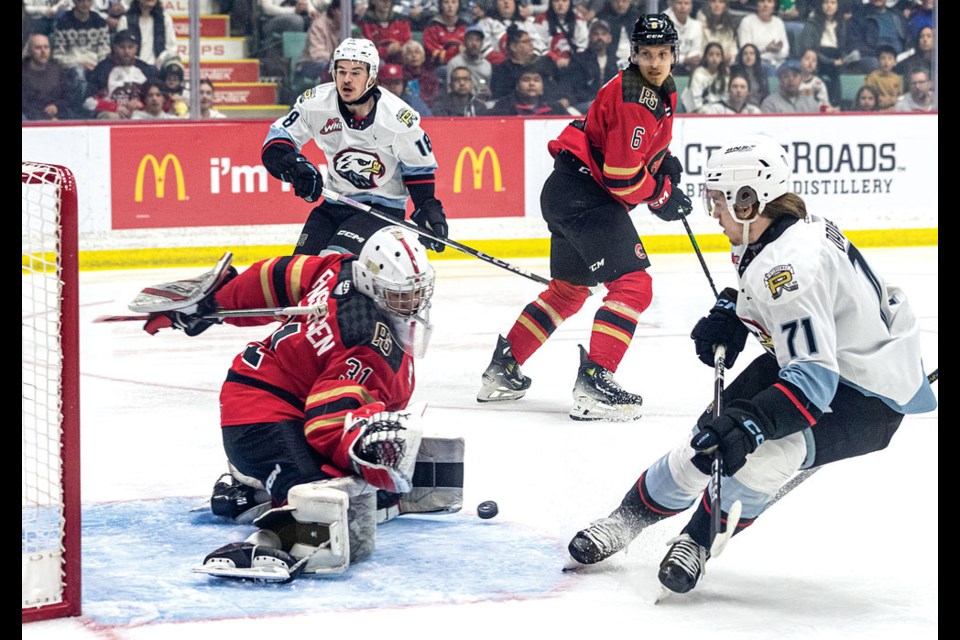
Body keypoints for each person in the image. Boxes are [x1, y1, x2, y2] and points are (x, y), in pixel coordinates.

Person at [565, 134, 937, 596]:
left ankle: (696, 542)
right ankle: (624, 522)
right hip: (825, 359)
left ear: (749, 200)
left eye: (720, 201)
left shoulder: (790, 266)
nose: (714, 213)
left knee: (764, 459)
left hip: (867, 397)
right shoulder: (775, 230)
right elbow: (798, 310)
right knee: (705, 444)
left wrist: (753, 424)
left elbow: (813, 383)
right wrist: (736, 311)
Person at [141, 225, 442, 577]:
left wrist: (218, 301)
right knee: (316, 498)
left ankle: (248, 492)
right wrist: (364, 442)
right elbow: (326, 424)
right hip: (257, 410)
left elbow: (275, 276)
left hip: (290, 396)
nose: (412, 305)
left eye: (417, 293)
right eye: (400, 295)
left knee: (362, 493)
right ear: (369, 280)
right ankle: (268, 540)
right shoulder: (363, 344)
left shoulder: (338, 268)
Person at [476, 14, 693, 421]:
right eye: (647, 54)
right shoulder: (637, 97)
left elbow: (626, 147)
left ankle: (503, 370)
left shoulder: (657, 86)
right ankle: (596, 380)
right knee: (633, 287)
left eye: (663, 54)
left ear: (674, 55)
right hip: (585, 197)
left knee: (568, 292)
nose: (655, 62)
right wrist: (660, 193)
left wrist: (663, 162)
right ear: (634, 53)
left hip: (565, 190)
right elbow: (622, 177)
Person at [261, 38, 449, 257]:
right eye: (341, 71)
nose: (346, 80)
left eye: (356, 72)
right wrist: (294, 166)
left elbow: (419, 170)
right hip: (334, 204)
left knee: (334, 264)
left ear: (371, 77)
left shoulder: (398, 118)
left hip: (381, 211)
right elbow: (274, 143)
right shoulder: (316, 104)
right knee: (300, 268)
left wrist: (427, 208)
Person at [83, 29, 157, 119]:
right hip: (113, 114)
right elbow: (88, 102)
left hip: (141, 114)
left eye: (130, 47)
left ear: (136, 48)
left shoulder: (145, 69)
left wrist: (142, 104)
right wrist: (114, 107)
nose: (126, 51)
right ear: (114, 48)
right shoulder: (103, 68)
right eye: (122, 47)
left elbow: (159, 98)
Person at [559, 18, 620, 113]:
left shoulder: (616, 62)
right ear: (590, 37)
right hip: (585, 104)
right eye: (596, 34)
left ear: (609, 38)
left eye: (603, 34)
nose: (600, 37)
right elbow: (575, 88)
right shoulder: (578, 59)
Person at [52, 0, 112, 94]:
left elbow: (104, 51)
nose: (85, 4)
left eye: (88, 0)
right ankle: (79, 107)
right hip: (72, 66)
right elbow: (58, 56)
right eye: (81, 1)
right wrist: (79, 63)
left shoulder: (100, 22)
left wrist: (98, 66)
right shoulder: (63, 23)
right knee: (79, 73)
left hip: (95, 65)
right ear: (74, 1)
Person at [797, 0, 848, 108]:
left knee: (838, 70)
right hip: (818, 56)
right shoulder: (812, 22)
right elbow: (809, 47)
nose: (829, 6)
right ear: (821, 5)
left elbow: (845, 46)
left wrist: (842, 59)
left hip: (836, 57)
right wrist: (831, 62)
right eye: (826, 3)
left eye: (833, 3)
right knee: (826, 69)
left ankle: (836, 105)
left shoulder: (842, 23)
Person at [489, 23, 559, 101]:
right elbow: (500, 96)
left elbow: (560, 82)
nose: (531, 44)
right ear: (513, 47)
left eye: (530, 41)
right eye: (526, 42)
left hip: (554, 105)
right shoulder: (502, 70)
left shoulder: (545, 61)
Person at [22, 32, 80, 121]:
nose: (43, 51)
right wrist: (45, 118)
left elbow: (67, 96)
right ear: (30, 51)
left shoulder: (57, 69)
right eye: (38, 48)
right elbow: (25, 105)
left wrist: (56, 107)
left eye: (46, 47)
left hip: (57, 117)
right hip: (31, 119)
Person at [846, 0, 908, 73]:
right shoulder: (859, 17)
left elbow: (908, 39)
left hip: (899, 58)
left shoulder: (898, 15)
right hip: (874, 58)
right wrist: (882, 56)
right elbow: (855, 43)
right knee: (876, 64)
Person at [115, 0, 178, 69]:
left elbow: (172, 48)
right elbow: (120, 49)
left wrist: (161, 59)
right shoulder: (125, 20)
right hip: (132, 69)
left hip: (157, 70)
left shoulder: (164, 20)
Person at [487, 66, 571, 115]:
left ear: (542, 86)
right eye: (526, 80)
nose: (531, 83)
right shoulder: (503, 106)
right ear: (517, 86)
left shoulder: (555, 108)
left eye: (536, 80)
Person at [531, 0, 588, 71]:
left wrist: (571, 61)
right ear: (551, 3)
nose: (560, 4)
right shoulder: (541, 20)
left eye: (564, 1)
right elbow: (539, 44)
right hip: (548, 63)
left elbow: (582, 46)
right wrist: (555, 58)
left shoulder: (579, 21)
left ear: (570, 3)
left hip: (574, 64)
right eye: (556, 1)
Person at [736, 0, 789, 76]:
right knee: (769, 70)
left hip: (779, 63)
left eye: (769, 2)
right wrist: (766, 49)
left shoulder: (779, 23)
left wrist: (776, 50)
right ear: (757, 4)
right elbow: (746, 51)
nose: (765, 5)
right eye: (762, 1)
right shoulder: (747, 21)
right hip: (756, 64)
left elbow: (785, 51)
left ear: (774, 6)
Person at [446, 24, 494, 100]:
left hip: (480, 106)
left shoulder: (486, 65)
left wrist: (487, 93)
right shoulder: (454, 63)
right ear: (464, 43)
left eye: (477, 40)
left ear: (481, 44)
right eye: (470, 39)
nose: (474, 44)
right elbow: (449, 91)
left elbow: (483, 87)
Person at [358, 0, 413, 65]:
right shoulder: (364, 22)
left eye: (389, 0)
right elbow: (365, 50)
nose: (386, 2)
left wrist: (399, 47)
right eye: (382, 0)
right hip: (376, 62)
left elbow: (408, 43)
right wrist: (386, 50)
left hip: (400, 59)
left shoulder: (402, 20)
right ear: (373, 1)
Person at [680, 40, 728, 113]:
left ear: (722, 58)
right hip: (700, 112)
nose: (714, 58)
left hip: (720, 112)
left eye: (718, 55)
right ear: (705, 57)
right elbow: (695, 100)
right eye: (711, 54)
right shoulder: (698, 74)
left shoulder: (724, 74)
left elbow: (726, 97)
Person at [422, 0, 468, 70]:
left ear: (459, 5)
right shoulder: (432, 26)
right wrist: (457, 51)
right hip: (439, 67)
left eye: (454, 2)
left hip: (464, 64)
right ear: (440, 5)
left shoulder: (464, 25)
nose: (450, 6)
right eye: (446, 2)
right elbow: (434, 54)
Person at [663, 0, 704, 76]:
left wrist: (687, 60)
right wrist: (684, 60)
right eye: (679, 3)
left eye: (686, 3)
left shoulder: (697, 26)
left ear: (691, 7)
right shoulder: (663, 24)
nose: (683, 6)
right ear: (673, 5)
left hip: (689, 67)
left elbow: (696, 51)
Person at [596, 0, 641, 69]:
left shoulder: (637, 17)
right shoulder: (603, 18)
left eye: (624, 1)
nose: (620, 4)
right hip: (611, 61)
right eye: (616, 1)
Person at [400, 39, 441, 107]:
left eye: (417, 52)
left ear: (423, 57)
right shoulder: (400, 77)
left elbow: (435, 99)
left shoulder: (430, 78)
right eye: (410, 52)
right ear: (404, 57)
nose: (414, 55)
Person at [696, 0, 738, 65]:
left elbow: (733, 49)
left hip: (724, 65)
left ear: (725, 5)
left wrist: (730, 57)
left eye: (721, 2)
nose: (717, 5)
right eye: (713, 1)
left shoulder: (729, 25)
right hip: (703, 63)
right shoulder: (699, 23)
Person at [730, 42, 769, 107]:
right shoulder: (733, 72)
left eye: (752, 54)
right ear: (741, 57)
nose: (748, 56)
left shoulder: (762, 74)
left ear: (756, 56)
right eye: (745, 54)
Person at [798, 47, 838, 111]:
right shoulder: (793, 81)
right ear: (801, 60)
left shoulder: (819, 83)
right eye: (807, 58)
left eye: (814, 60)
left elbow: (824, 104)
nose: (810, 62)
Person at [863, 44, 902, 111]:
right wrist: (890, 100)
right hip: (876, 109)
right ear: (878, 61)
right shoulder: (871, 77)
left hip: (892, 110)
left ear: (895, 62)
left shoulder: (897, 79)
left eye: (890, 58)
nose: (886, 62)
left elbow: (899, 98)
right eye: (882, 58)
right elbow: (869, 97)